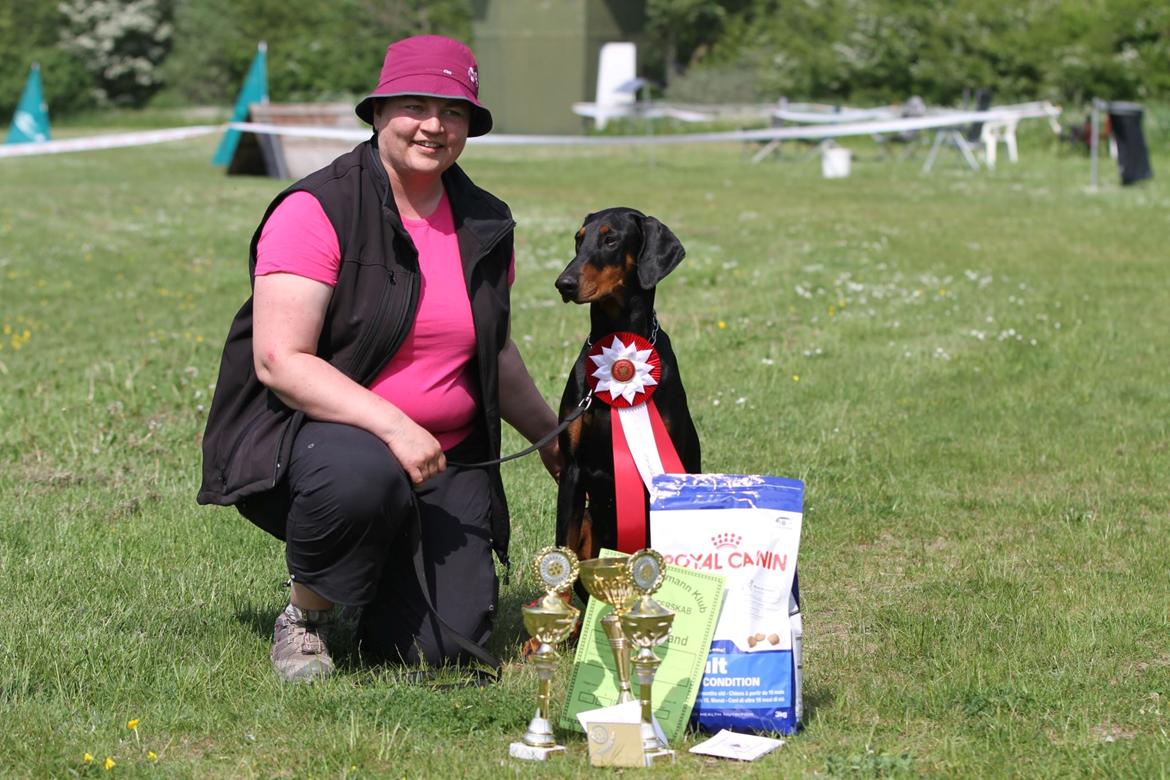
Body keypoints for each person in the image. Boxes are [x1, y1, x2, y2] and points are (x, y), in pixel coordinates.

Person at [197, 35, 561, 682]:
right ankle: (305, 617)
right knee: (363, 474)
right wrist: (394, 425)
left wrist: (551, 440)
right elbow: (281, 360)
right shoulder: (316, 209)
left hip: (447, 456)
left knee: (441, 656)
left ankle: (383, 577)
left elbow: (494, 349)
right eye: (414, 105)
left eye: (453, 111)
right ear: (377, 113)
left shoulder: (487, 222)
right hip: (324, 444)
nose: (434, 125)